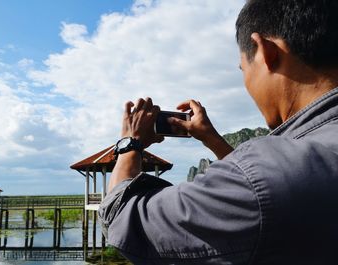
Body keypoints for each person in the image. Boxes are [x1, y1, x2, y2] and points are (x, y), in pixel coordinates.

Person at [98, 0, 338, 264]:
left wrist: (129, 144)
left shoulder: (262, 177)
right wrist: (211, 139)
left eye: (243, 69)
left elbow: (122, 220)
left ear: (265, 51)